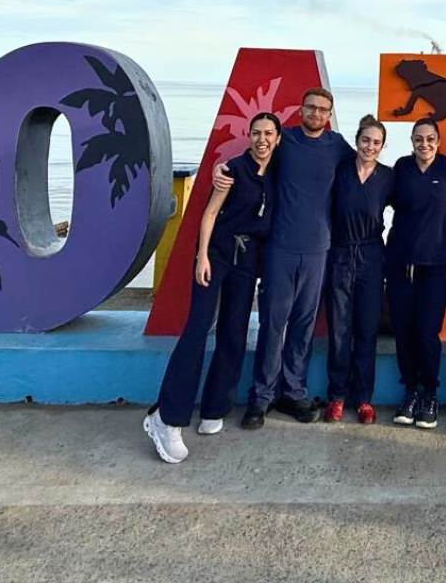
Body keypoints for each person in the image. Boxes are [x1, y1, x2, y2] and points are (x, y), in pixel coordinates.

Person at [212, 88, 354, 429]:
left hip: (319, 248)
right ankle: (260, 398)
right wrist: (221, 168)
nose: (316, 113)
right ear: (300, 110)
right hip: (279, 247)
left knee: (303, 326)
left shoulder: (337, 146)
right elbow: (251, 156)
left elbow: (367, 165)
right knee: (273, 324)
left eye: (323, 110)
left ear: (330, 115)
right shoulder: (284, 140)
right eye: (311, 107)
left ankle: (292, 393)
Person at [144, 112, 280, 464]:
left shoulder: (279, 173)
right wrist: (201, 256)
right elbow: (209, 213)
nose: (262, 139)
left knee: (234, 334)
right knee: (197, 329)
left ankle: (215, 407)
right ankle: (165, 418)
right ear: (248, 136)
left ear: (278, 138)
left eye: (269, 133)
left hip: (248, 259)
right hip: (218, 253)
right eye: (256, 133)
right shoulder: (233, 169)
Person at [386, 118, 446, 430]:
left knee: (428, 332)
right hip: (401, 261)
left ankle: (430, 393)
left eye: (430, 139)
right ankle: (410, 391)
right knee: (403, 329)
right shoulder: (401, 168)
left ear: (438, 141)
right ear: (411, 140)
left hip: (437, 264)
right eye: (418, 138)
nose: (424, 144)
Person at [324, 116, 393, 424]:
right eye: (366, 140)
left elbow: (413, 206)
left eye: (376, 142)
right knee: (340, 330)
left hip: (372, 255)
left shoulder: (389, 177)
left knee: (366, 331)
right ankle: (337, 396)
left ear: (382, 146)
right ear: (356, 140)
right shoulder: (339, 171)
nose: (370, 146)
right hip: (339, 253)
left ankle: (364, 398)